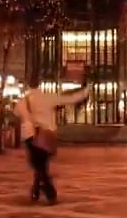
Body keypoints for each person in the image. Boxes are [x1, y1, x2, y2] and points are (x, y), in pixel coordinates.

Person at [16, 75, 89, 204]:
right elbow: (69, 99)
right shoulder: (47, 97)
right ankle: (42, 191)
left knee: (39, 166)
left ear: (27, 85)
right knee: (42, 165)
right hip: (46, 136)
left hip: (30, 136)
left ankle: (44, 191)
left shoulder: (22, 101)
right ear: (39, 84)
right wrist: (85, 91)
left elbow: (17, 113)